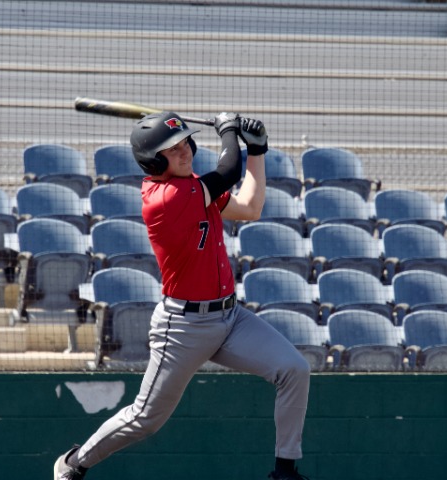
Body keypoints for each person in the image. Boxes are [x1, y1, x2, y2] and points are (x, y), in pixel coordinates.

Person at [54, 111, 311, 480]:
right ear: (153, 161)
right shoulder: (166, 197)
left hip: (230, 318)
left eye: (184, 143)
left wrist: (257, 151)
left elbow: (251, 208)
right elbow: (227, 172)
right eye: (171, 149)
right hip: (184, 327)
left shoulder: (192, 187)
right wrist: (228, 132)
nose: (184, 151)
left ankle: (284, 471)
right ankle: (73, 464)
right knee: (146, 418)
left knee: (294, 370)